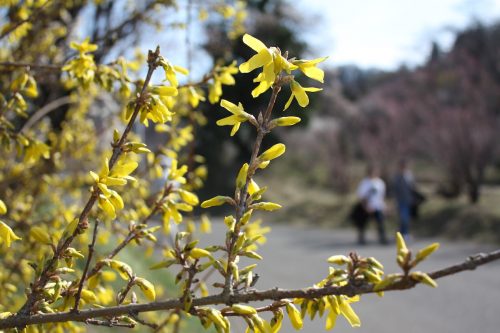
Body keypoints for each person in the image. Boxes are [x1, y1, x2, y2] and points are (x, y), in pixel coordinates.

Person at [356, 165, 388, 245]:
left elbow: (382, 196)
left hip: (377, 207)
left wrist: (384, 206)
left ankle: (382, 238)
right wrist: (365, 207)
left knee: (380, 222)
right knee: (362, 223)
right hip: (366, 207)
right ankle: (361, 238)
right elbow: (361, 196)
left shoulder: (380, 183)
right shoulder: (364, 183)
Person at [392, 159, 415, 240]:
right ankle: (404, 233)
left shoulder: (409, 175)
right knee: (404, 218)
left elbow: (413, 187)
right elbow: (395, 189)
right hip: (400, 200)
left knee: (406, 218)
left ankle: (401, 234)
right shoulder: (397, 176)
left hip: (409, 200)